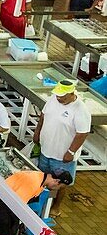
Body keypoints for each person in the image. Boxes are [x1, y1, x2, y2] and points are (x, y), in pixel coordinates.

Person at [34, 80, 90, 209]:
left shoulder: (80, 110)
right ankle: (39, 204)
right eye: (58, 95)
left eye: (62, 96)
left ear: (71, 93)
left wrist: (70, 152)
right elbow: (43, 116)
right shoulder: (54, 100)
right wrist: (37, 132)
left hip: (63, 158)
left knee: (61, 184)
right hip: (46, 150)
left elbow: (82, 133)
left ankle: (55, 206)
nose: (59, 98)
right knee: (42, 179)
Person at [0, 169, 71, 235]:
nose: (56, 190)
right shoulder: (32, 183)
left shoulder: (40, 178)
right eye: (60, 187)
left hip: (6, 208)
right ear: (57, 181)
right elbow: (15, 206)